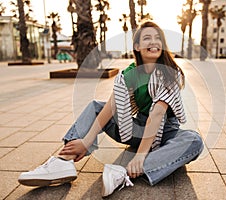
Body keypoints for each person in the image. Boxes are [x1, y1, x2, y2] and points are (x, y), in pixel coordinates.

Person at [18, 21, 204, 197]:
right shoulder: (129, 74)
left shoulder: (170, 72)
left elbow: (156, 115)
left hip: (165, 133)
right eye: (147, 38)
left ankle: (122, 172)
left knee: (194, 141)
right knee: (96, 107)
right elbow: (110, 107)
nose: (154, 42)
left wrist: (139, 156)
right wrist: (85, 141)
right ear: (137, 46)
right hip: (138, 129)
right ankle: (63, 162)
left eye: (158, 38)